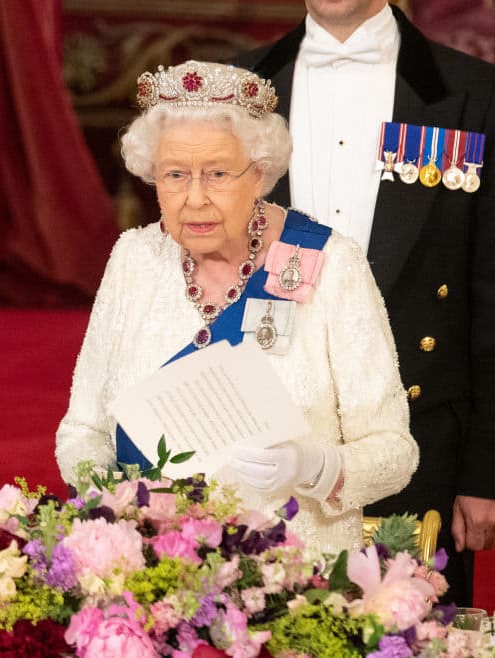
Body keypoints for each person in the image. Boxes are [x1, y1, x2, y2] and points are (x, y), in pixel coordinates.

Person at [54, 61, 418, 553]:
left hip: (295, 582)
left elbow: (394, 452)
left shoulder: (331, 263)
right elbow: (82, 431)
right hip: (155, 574)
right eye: (175, 175)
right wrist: (113, 501)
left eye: (218, 174)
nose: (195, 199)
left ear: (260, 174)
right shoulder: (133, 259)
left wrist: (313, 465)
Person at [235, 0, 495, 604]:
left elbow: (490, 291)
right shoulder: (238, 87)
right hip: (262, 448)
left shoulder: (473, 94)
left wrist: (485, 467)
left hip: (419, 446)